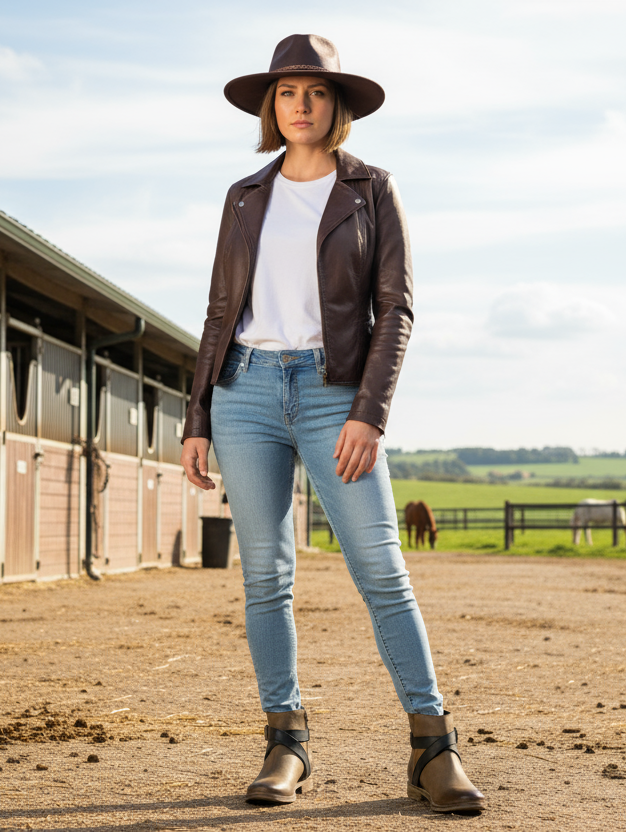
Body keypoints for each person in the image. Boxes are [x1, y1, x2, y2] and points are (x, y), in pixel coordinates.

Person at [181, 34, 486, 814]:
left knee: (382, 569)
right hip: (245, 390)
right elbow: (221, 309)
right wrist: (198, 415)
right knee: (266, 577)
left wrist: (368, 413)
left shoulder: (372, 189)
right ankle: (285, 742)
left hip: (332, 393)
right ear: (270, 106)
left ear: (337, 105)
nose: (301, 106)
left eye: (315, 92)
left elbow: (397, 310)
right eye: (287, 93)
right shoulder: (245, 196)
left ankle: (433, 748)